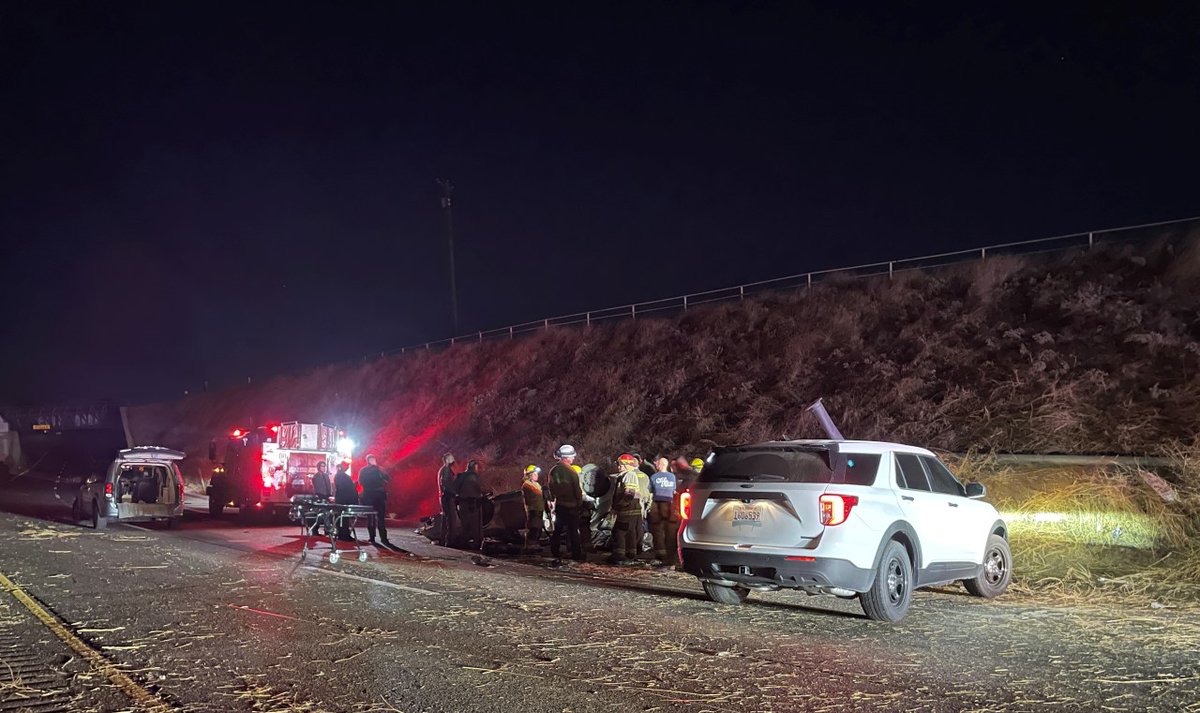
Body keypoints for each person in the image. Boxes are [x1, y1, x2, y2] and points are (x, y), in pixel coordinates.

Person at [546, 444, 585, 562]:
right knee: (573, 530)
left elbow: (550, 487)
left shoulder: (553, 471)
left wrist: (552, 499)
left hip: (560, 505)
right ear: (566, 458)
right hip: (572, 505)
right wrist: (580, 501)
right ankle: (576, 554)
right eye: (572, 457)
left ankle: (555, 550)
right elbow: (577, 489)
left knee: (557, 530)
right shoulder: (571, 471)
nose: (573, 459)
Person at [609, 454, 644, 564]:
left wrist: (618, 506)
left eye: (620, 464)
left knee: (620, 531)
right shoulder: (625, 475)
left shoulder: (629, 475)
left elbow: (629, 493)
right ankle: (630, 553)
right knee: (630, 532)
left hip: (627, 510)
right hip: (631, 510)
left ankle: (619, 555)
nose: (618, 467)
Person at [648, 456, 679, 567]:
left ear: (661, 465)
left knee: (657, 530)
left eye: (657, 464)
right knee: (670, 531)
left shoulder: (654, 477)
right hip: (670, 505)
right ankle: (671, 555)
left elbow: (650, 491)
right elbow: (675, 490)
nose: (656, 466)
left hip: (657, 504)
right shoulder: (672, 477)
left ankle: (660, 553)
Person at [358, 454, 393, 549]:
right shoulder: (366, 470)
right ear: (368, 460)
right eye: (371, 459)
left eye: (374, 459)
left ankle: (382, 537)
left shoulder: (378, 469)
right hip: (372, 495)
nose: (373, 460)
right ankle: (373, 537)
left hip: (376, 495)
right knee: (371, 517)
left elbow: (388, 478)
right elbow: (361, 481)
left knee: (380, 517)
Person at [454, 460, 485, 550]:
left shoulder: (461, 477)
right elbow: (480, 488)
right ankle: (477, 544)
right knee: (475, 525)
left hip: (462, 503)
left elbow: (455, 488)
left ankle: (463, 542)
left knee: (465, 524)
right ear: (474, 467)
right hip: (473, 503)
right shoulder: (473, 477)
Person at [521, 465, 545, 553]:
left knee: (538, 527)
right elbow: (530, 498)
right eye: (534, 474)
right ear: (529, 475)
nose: (536, 475)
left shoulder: (537, 484)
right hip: (533, 509)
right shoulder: (527, 485)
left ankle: (535, 543)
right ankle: (530, 545)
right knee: (534, 527)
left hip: (539, 508)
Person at [333, 461, 358, 541]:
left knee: (344, 518)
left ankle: (344, 534)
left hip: (342, 499)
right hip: (343, 499)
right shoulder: (341, 475)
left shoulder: (340, 475)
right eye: (346, 466)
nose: (347, 467)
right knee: (343, 518)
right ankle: (343, 535)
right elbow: (344, 488)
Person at [437, 453, 458, 547]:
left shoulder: (444, 469)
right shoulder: (445, 469)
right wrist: (453, 493)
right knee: (450, 519)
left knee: (446, 519)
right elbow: (445, 483)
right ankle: (449, 541)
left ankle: (443, 540)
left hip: (445, 496)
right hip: (447, 496)